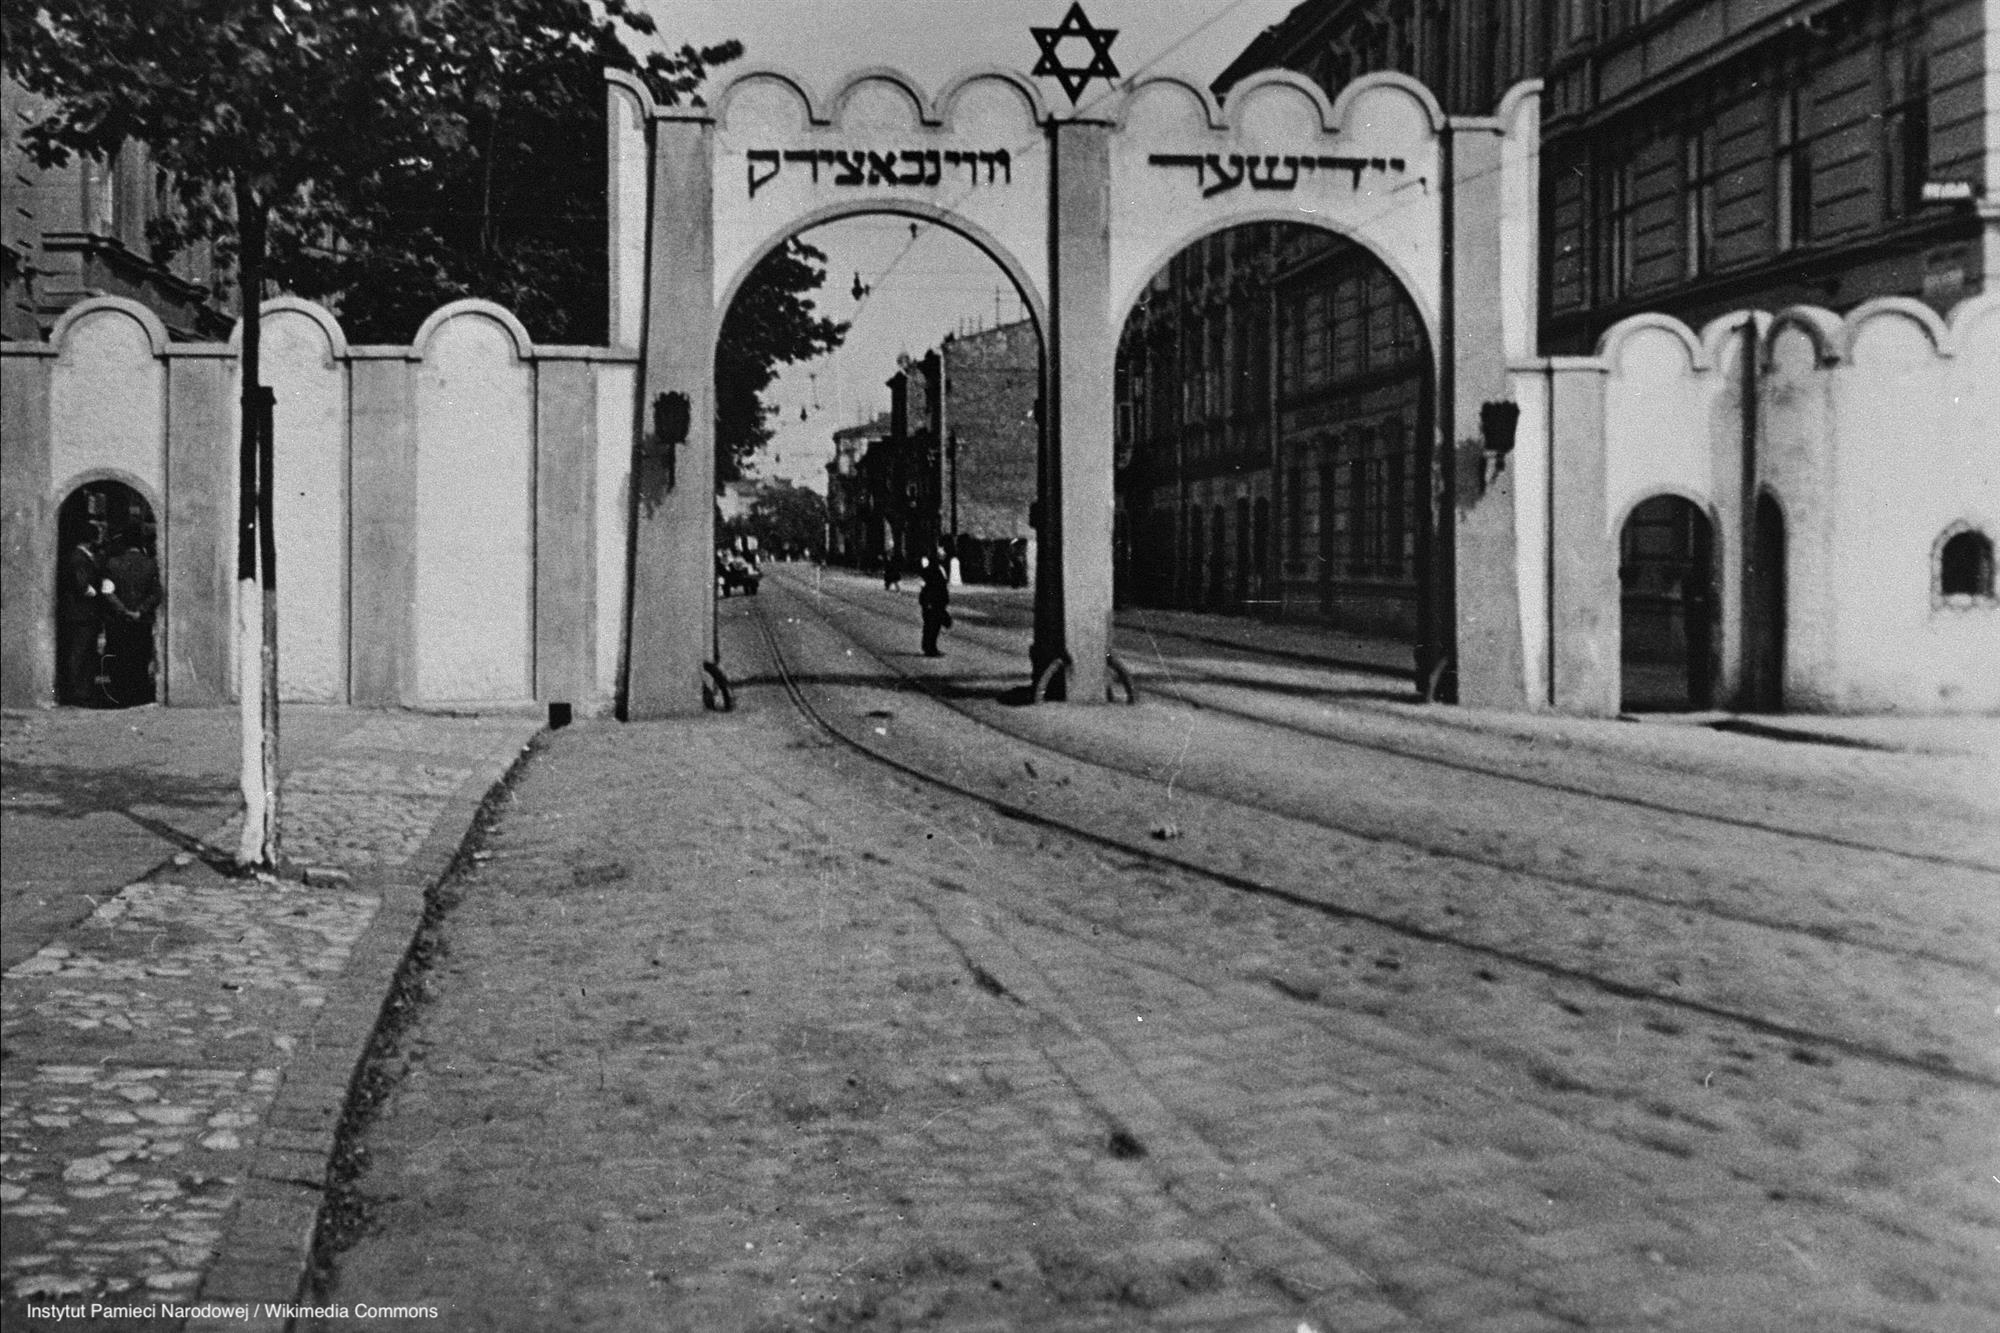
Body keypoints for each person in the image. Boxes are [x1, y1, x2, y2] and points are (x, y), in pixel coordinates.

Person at [101, 527, 162, 704]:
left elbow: (108, 592)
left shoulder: (112, 564)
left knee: (119, 658)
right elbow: (156, 594)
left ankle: (119, 696)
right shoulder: (151, 565)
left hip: (118, 622)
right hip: (142, 621)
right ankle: (139, 696)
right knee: (140, 658)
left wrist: (123, 610)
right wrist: (140, 611)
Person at [59, 521, 107, 705]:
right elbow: (83, 586)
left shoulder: (82, 555)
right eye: (98, 535)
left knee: (83, 651)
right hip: (82, 612)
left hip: (83, 613)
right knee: (80, 651)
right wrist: (98, 592)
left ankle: (82, 691)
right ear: (90, 538)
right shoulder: (79, 557)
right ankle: (77, 692)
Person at [918, 549, 951, 657]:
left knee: (935, 626)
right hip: (932, 602)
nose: (944, 556)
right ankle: (929, 648)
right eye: (942, 555)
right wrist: (927, 602)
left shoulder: (940, 568)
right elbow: (925, 587)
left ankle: (930, 647)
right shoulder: (929, 570)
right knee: (931, 626)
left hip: (938, 602)